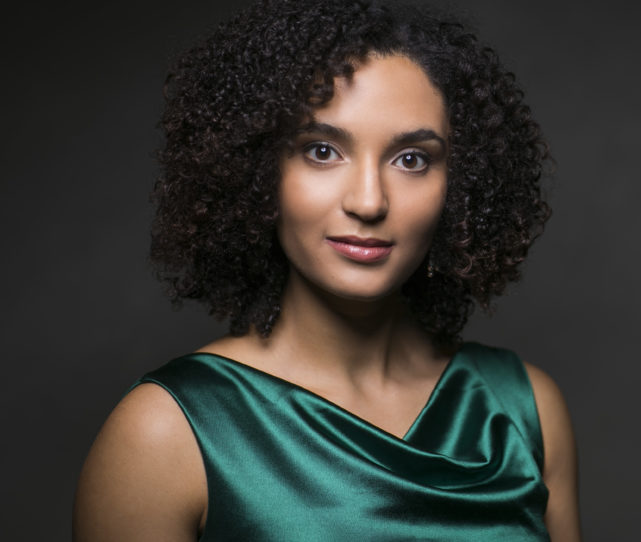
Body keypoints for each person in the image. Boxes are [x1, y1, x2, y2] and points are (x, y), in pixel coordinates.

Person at [74, 0, 579, 540]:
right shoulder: (164, 432)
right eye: (321, 150)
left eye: (411, 159)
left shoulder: (525, 409)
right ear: (256, 169)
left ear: (460, 185)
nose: (368, 202)